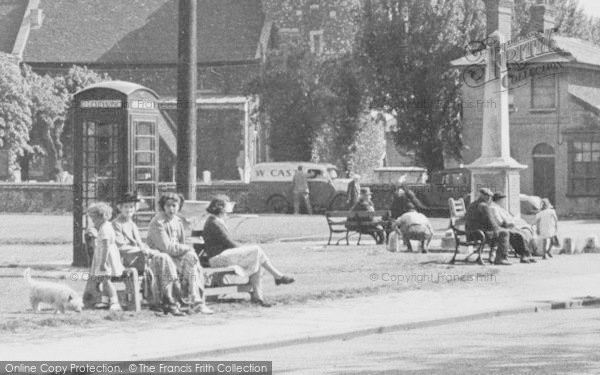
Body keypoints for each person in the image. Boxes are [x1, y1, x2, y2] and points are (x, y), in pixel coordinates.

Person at [203, 195, 295, 307]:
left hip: (223, 256)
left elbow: (228, 243)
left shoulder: (216, 221)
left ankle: (259, 297)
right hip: (217, 259)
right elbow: (229, 243)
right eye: (227, 204)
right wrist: (245, 248)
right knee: (256, 251)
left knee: (256, 257)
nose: (229, 208)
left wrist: (245, 248)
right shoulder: (214, 223)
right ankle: (277, 277)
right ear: (221, 208)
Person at [112, 192, 184, 316]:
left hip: (139, 258)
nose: (129, 210)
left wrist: (147, 250)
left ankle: (167, 299)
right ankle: (169, 299)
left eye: (131, 207)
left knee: (163, 258)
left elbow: (140, 244)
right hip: (127, 260)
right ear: (119, 208)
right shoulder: (116, 224)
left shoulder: (132, 224)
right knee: (163, 258)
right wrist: (145, 251)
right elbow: (121, 247)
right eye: (126, 207)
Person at [146, 193, 213, 314]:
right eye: (168, 206)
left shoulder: (178, 220)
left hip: (175, 258)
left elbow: (180, 244)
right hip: (159, 259)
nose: (171, 209)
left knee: (191, 258)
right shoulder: (158, 222)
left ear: (179, 206)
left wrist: (187, 250)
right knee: (173, 257)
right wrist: (187, 248)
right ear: (163, 206)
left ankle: (195, 300)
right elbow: (167, 248)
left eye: (174, 205)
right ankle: (170, 301)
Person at [87, 202, 124, 311]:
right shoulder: (106, 226)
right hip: (105, 257)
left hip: (106, 259)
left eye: (94, 219)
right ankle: (105, 301)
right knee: (104, 280)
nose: (93, 222)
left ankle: (115, 302)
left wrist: (102, 263)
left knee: (107, 281)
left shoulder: (104, 229)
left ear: (102, 217)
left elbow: (106, 247)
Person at [465, 188, 511, 265]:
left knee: (498, 232)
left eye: (489, 197)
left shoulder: (472, 204)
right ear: (484, 196)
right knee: (504, 233)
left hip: (470, 234)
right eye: (488, 196)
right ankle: (501, 258)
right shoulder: (484, 206)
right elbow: (491, 223)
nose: (489, 199)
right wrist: (499, 228)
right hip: (479, 235)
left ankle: (492, 256)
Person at [490, 192, 537, 263]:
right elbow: (499, 221)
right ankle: (524, 255)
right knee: (518, 235)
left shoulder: (499, 207)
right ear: (499, 200)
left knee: (523, 233)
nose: (504, 202)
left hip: (506, 226)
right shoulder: (494, 208)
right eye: (503, 200)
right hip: (502, 227)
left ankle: (527, 254)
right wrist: (509, 223)